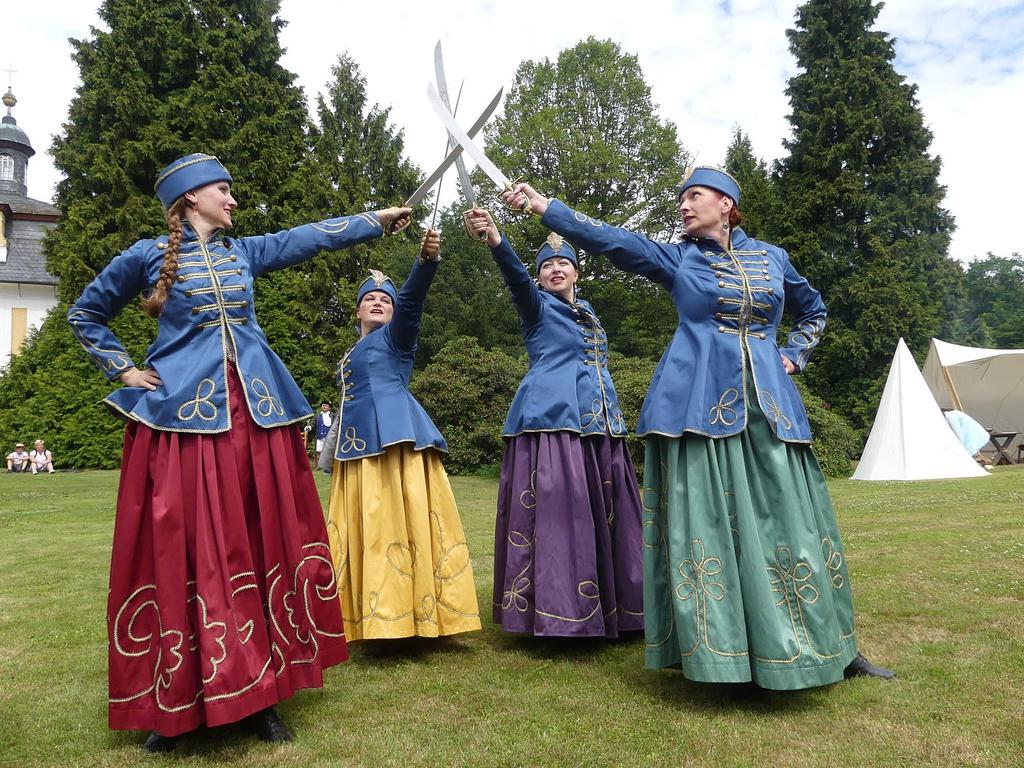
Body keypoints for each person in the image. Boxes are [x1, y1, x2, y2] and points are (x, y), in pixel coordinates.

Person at [68, 152, 411, 751]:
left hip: (256, 418)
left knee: (259, 542)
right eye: (223, 190)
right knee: (189, 551)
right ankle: (181, 699)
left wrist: (375, 221)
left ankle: (263, 695)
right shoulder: (145, 257)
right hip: (185, 422)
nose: (232, 200)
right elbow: (86, 312)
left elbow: (308, 238)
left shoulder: (244, 252)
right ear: (191, 197)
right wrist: (124, 370)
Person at [502, 167, 894, 688]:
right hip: (696, 409)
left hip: (772, 411)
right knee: (712, 527)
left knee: (796, 524)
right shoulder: (678, 258)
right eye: (681, 198)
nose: (683, 206)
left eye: (694, 196)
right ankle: (726, 654)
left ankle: (836, 646)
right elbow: (610, 239)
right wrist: (544, 207)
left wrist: (792, 355)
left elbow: (813, 310)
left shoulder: (773, 258)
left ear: (726, 204)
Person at [464, 209, 643, 637]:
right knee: (565, 514)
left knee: (608, 515)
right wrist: (496, 239)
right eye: (547, 266)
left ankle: (621, 609)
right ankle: (560, 611)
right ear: (540, 277)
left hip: (600, 425)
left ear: (577, 273)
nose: (555, 269)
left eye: (564, 263)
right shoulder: (536, 306)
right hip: (553, 422)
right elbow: (515, 279)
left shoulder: (590, 312)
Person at [319, 231, 481, 642]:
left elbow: (412, 303)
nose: (378, 302)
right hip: (356, 451)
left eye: (386, 300)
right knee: (367, 530)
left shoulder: (397, 338)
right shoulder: (350, 355)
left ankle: (407, 617)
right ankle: (366, 617)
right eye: (370, 298)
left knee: (397, 525)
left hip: (397, 444)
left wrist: (424, 264)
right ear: (357, 310)